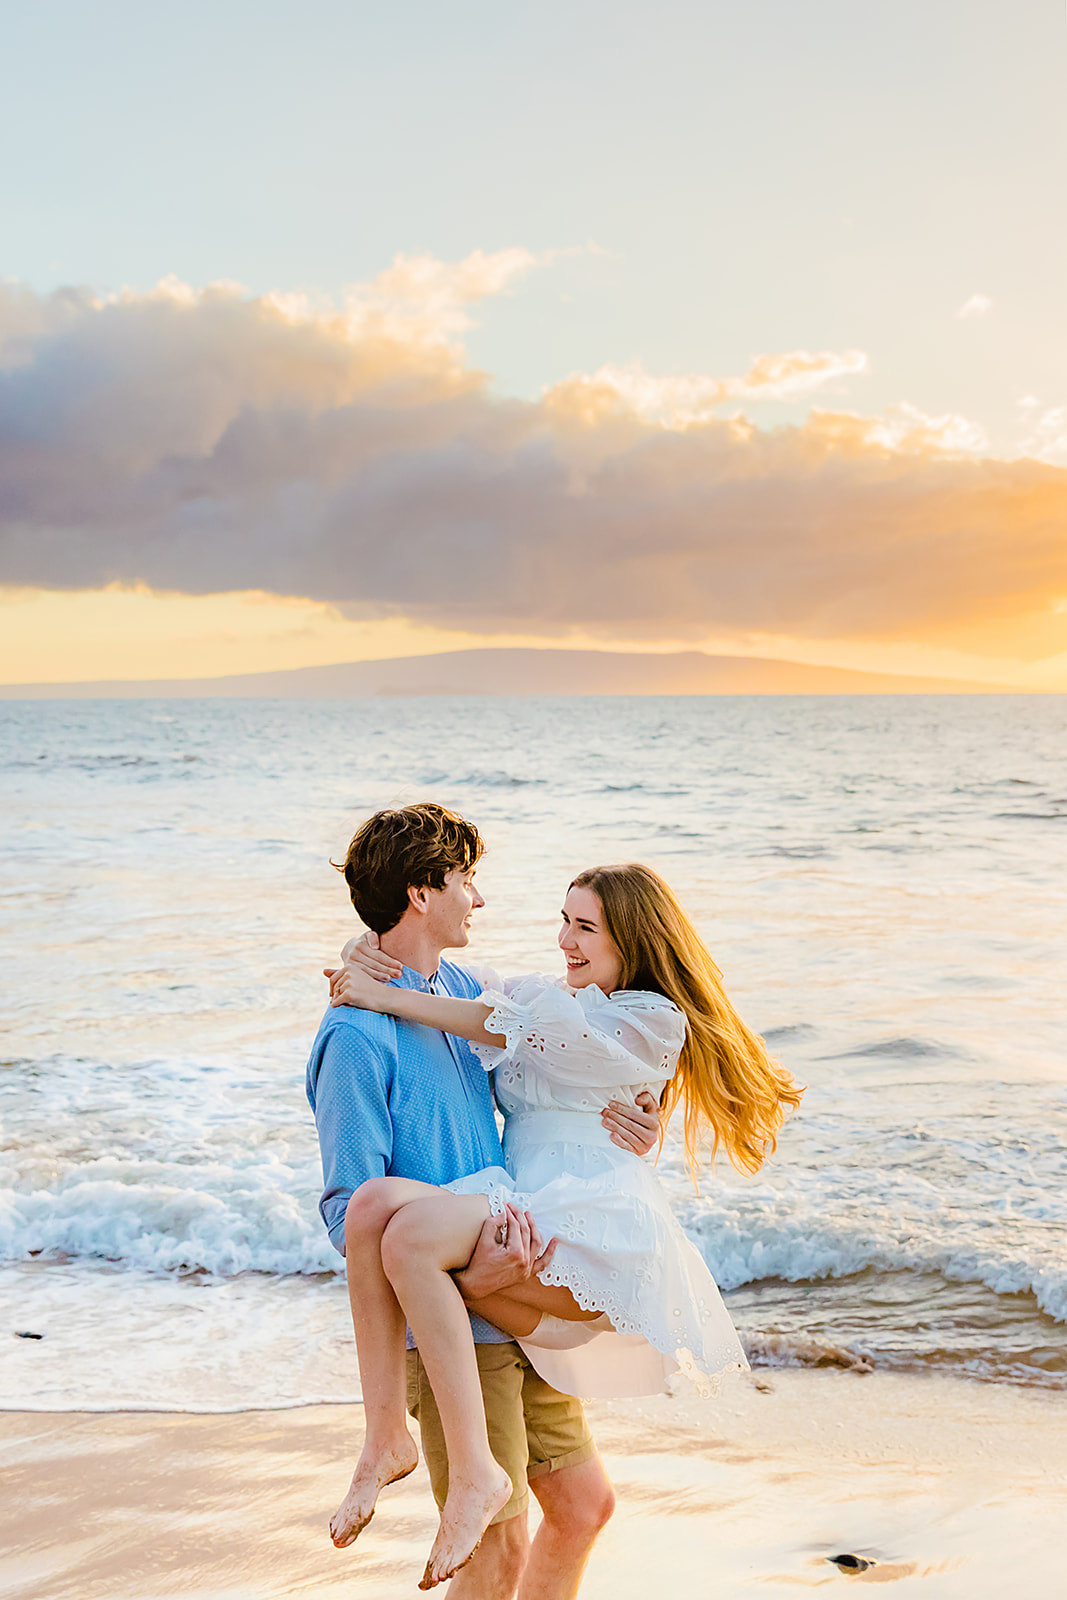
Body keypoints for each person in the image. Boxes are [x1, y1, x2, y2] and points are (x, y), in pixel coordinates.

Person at [328, 859, 803, 1589]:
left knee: (413, 1237)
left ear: (633, 939)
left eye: (584, 927)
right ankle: (389, 1436)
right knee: (373, 1210)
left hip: (584, 1229)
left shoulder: (648, 1017)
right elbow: (466, 982)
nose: (563, 940)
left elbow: (500, 1021)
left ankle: (435, 1452)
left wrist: (378, 990)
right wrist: (365, 956)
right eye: (563, 920)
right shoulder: (542, 999)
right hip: (518, 1214)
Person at [306, 803, 663, 1600]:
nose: (479, 896)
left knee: (582, 1507)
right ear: (422, 892)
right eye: (467, 878)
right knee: (495, 1553)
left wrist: (640, 1124)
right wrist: (470, 1270)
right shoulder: (356, 1038)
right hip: (455, 1326)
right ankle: (387, 1442)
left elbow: (564, 1067)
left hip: (516, 1285)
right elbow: (346, 1218)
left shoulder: (465, 989)